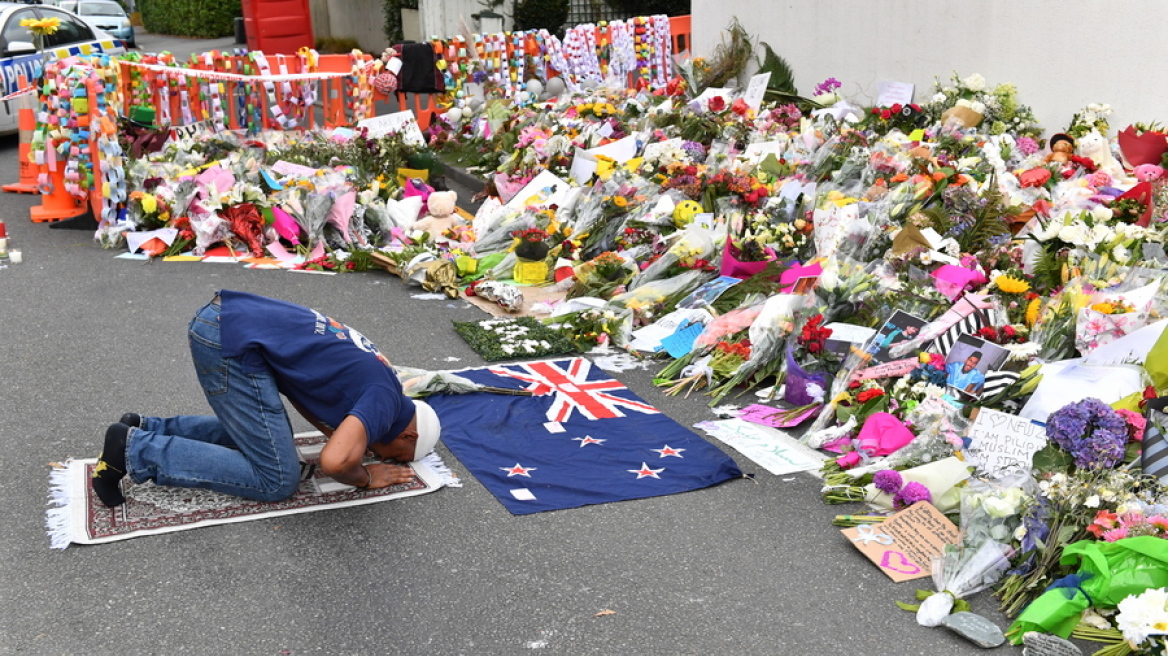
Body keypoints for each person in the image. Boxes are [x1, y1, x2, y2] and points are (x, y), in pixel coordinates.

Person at [91, 290, 442, 508]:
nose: (380, 455)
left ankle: (144, 428)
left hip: (230, 320)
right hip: (230, 338)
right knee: (277, 479)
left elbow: (300, 396)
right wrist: (365, 477)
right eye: (396, 456)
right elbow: (334, 463)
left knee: (274, 446)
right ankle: (135, 450)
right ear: (408, 435)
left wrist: (336, 435)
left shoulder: (385, 385)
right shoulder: (386, 402)